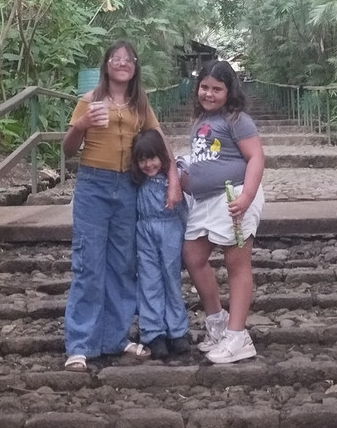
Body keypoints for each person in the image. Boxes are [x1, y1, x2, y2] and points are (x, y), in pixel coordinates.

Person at [61, 40, 181, 371]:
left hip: (128, 188)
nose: (123, 63)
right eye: (117, 58)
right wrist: (82, 125)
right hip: (93, 186)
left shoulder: (140, 105)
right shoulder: (89, 101)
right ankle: (80, 344)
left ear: (135, 66)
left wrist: (173, 179)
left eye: (129, 59)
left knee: (123, 264)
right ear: (107, 65)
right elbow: (68, 149)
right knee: (89, 263)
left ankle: (115, 337)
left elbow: (159, 141)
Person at [178, 60, 265, 364]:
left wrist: (247, 197)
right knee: (192, 255)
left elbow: (256, 158)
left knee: (236, 262)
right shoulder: (199, 120)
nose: (209, 93)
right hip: (204, 202)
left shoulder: (237, 120)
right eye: (204, 87)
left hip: (234, 196)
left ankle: (238, 336)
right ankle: (217, 323)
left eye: (217, 89)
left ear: (229, 92)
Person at [129, 128, 190, 359]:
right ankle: (153, 332)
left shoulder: (171, 182)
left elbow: (184, 211)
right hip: (144, 232)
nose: (148, 164)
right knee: (149, 281)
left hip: (171, 230)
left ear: (162, 158)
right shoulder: (136, 182)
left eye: (152, 158)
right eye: (142, 159)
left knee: (171, 280)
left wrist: (185, 237)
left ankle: (178, 331)